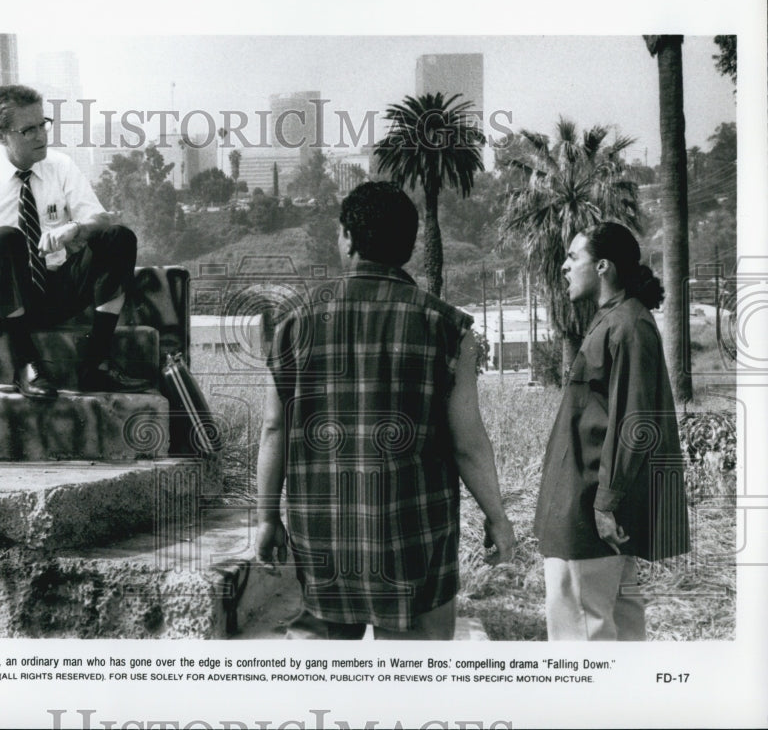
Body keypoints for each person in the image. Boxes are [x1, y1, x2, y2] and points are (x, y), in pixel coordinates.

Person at [256, 182, 515, 640]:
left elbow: (274, 429)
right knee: (415, 690)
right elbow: (468, 442)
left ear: (350, 238)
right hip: (415, 542)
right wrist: (497, 518)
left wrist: (266, 517)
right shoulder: (447, 327)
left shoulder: (294, 321)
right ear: (410, 246)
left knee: (332, 696)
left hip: (325, 542)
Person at [0, 84, 149, 398]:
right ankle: (26, 366)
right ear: (0, 135)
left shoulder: (60, 166)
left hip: (50, 291)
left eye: (43, 124)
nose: (41, 135)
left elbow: (101, 220)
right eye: (28, 130)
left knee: (118, 237)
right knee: (6, 239)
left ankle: (96, 365)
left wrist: (73, 229)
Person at [534, 222, 690, 640]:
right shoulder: (616, 320)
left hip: (589, 514)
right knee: (617, 631)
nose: (565, 267)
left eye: (573, 257)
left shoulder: (627, 326)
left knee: (583, 637)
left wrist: (606, 504)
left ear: (602, 266)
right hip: (589, 507)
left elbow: (634, 422)